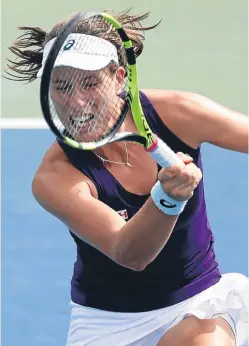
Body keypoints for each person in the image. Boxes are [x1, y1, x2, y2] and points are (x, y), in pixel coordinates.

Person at [5, 8, 249, 346]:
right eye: (61, 86)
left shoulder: (179, 113)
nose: (75, 102)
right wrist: (167, 199)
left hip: (198, 304)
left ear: (120, 78)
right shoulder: (55, 176)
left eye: (90, 83)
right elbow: (130, 254)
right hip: (108, 324)